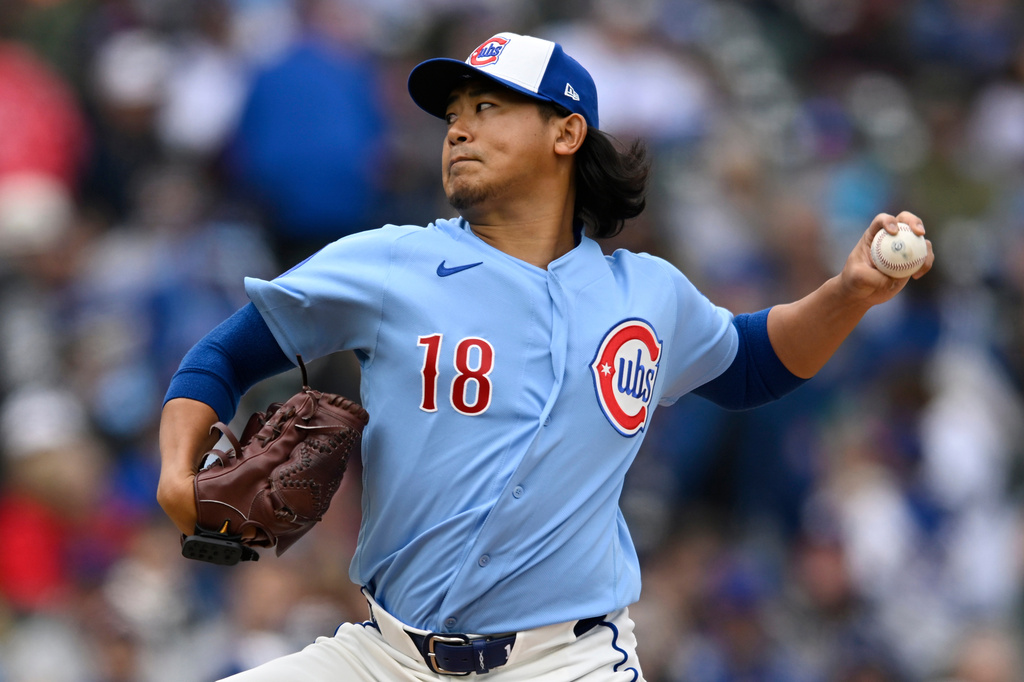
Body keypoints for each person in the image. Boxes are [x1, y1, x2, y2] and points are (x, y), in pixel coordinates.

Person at [156, 31, 933, 681]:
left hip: (564, 662)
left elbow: (751, 363)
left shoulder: (646, 294)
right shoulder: (390, 262)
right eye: (453, 115)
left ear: (567, 132)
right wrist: (175, 475)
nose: (457, 129)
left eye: (487, 107)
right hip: (385, 657)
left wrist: (850, 293)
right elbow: (223, 356)